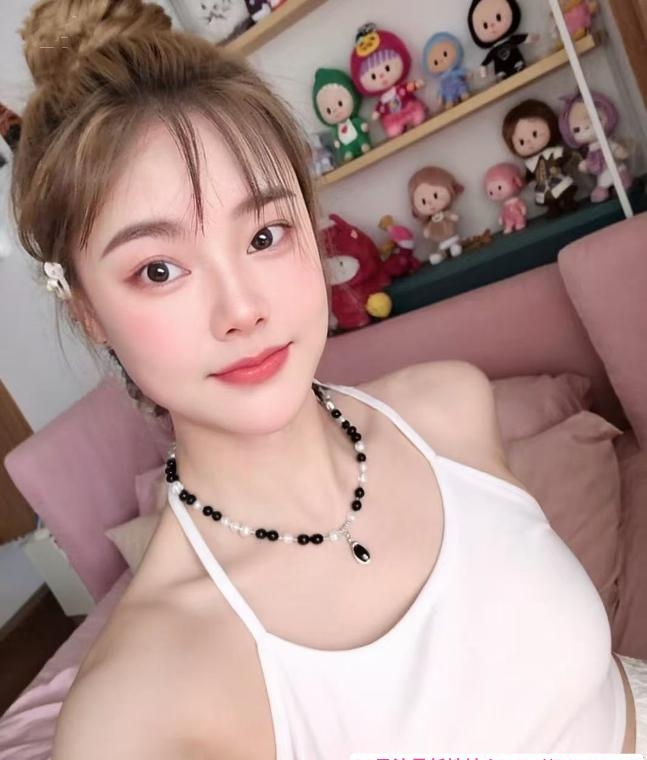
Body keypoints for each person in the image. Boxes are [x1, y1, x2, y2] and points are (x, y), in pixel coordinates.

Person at [10, 1, 647, 758]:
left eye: (264, 234)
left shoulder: (452, 407)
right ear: (87, 311)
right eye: (158, 270)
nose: (241, 310)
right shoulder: (133, 714)